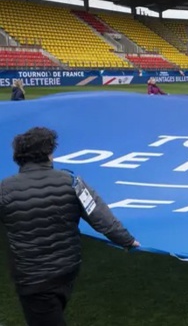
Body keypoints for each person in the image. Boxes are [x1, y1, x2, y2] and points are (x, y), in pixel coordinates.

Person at [0, 127, 140, 326]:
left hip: (32, 278)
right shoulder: (72, 182)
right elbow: (100, 217)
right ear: (48, 154)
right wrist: (126, 240)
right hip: (66, 270)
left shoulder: (5, 188)